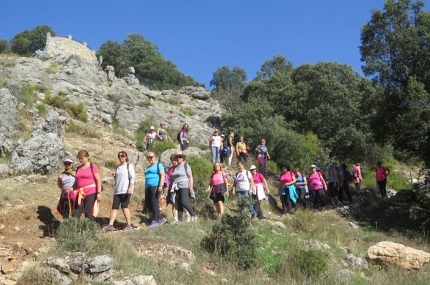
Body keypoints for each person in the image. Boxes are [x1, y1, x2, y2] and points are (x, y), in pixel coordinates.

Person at [103, 151, 136, 231]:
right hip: (117, 190)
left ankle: (129, 224)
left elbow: (132, 177)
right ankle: (110, 224)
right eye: (119, 156)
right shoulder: (118, 167)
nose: (121, 157)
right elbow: (118, 179)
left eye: (123, 156)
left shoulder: (129, 166)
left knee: (124, 206)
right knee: (114, 207)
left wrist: (130, 188)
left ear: (126, 157)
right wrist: (114, 175)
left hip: (126, 190)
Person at [72, 150, 102, 221]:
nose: (80, 160)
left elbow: (98, 180)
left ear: (87, 157)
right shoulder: (78, 168)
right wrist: (72, 189)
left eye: (82, 158)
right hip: (80, 193)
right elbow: (77, 182)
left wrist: (99, 193)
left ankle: (90, 229)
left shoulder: (93, 166)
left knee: (88, 212)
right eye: (79, 158)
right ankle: (73, 230)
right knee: (76, 213)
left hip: (91, 192)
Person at [171, 152, 197, 222]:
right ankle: (180, 220)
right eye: (177, 157)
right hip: (177, 187)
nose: (178, 158)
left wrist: (191, 186)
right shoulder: (175, 167)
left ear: (182, 158)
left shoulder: (186, 165)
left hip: (184, 185)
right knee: (179, 203)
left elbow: (190, 176)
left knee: (184, 202)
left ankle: (193, 215)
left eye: (180, 157)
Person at [144, 152, 167, 227]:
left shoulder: (158, 165)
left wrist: (161, 185)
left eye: (151, 157)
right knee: (147, 203)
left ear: (155, 157)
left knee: (154, 202)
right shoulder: (147, 167)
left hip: (156, 185)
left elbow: (162, 174)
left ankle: (155, 221)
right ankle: (160, 218)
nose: (150, 159)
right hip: (148, 187)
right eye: (148, 157)